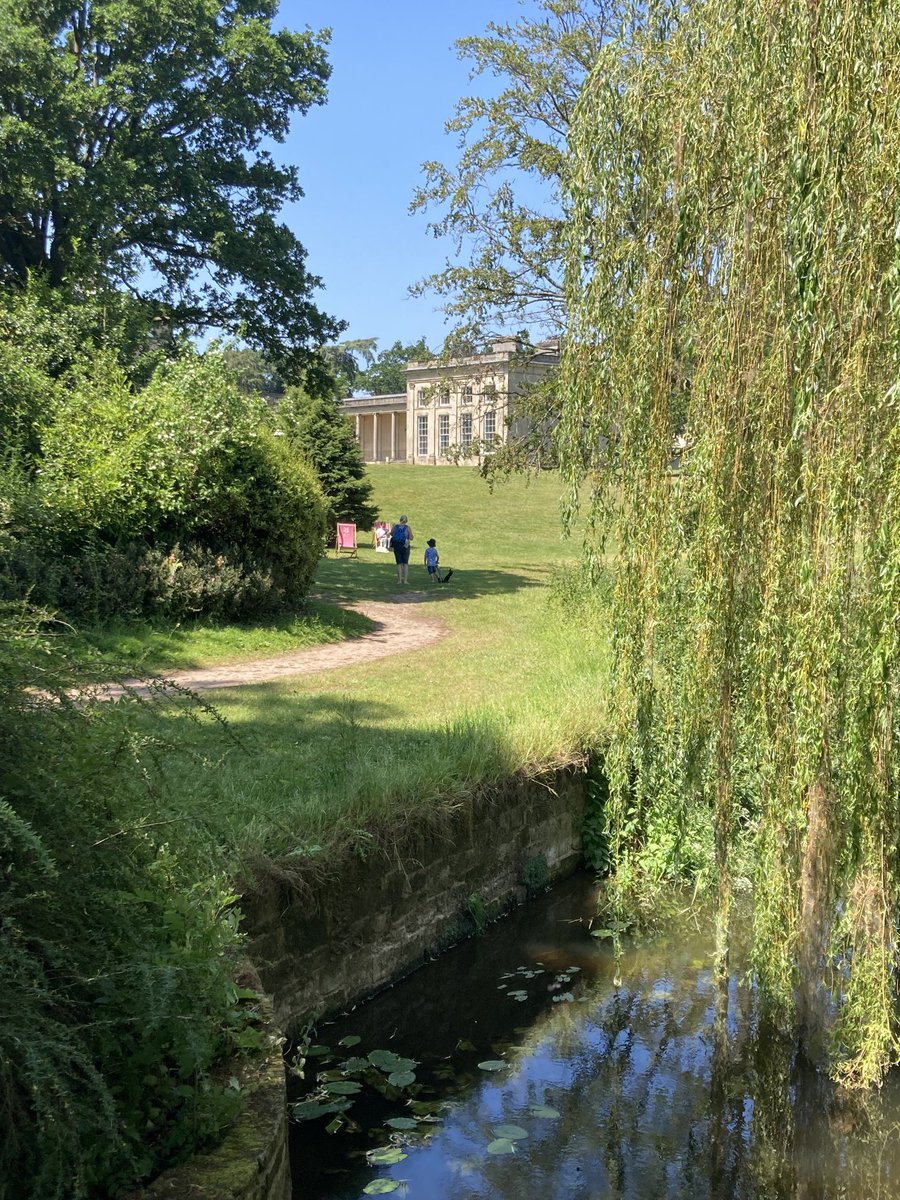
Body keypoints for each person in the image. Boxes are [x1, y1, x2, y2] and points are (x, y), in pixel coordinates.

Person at [390, 514, 413, 583]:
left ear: (400, 520)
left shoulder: (395, 527)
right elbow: (411, 538)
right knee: (405, 564)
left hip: (397, 546)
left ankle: (399, 580)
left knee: (399, 563)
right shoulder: (408, 528)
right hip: (405, 547)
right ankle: (405, 580)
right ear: (406, 521)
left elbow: (391, 534)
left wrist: (392, 528)